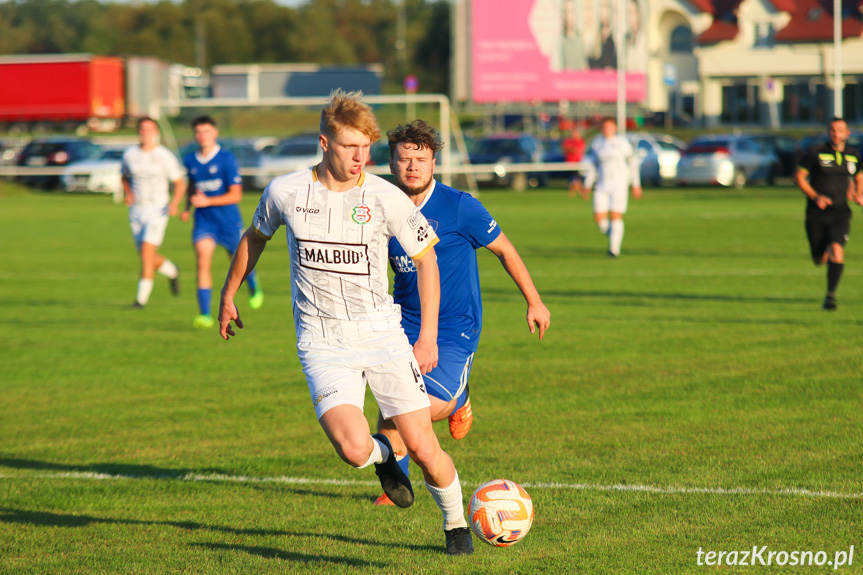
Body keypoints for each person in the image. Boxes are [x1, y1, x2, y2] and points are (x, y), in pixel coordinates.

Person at [217, 91, 474, 556]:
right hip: (322, 342)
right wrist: (229, 293)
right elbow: (254, 238)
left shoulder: (384, 195)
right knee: (354, 449)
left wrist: (429, 336)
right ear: (324, 142)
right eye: (350, 147)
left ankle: (456, 526)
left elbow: (428, 259)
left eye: (366, 148)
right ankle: (382, 460)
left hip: (383, 336)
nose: (361, 158)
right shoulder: (286, 192)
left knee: (423, 448)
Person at [371, 119, 551, 507]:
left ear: (434, 162)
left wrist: (534, 301)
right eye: (404, 159)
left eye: (421, 159)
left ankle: (460, 396)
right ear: (391, 164)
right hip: (402, 321)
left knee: (419, 405)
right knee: (390, 402)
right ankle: (397, 478)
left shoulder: (459, 206)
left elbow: (505, 250)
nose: (412, 167)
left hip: (455, 327)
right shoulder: (383, 205)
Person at [182, 116, 263, 329]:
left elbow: (236, 195)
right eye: (198, 132)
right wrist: (186, 208)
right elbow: (192, 186)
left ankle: (253, 285)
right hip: (204, 222)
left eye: (206, 131)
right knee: (202, 261)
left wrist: (207, 200)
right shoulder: (190, 159)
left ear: (215, 133)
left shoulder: (226, 159)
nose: (202, 136)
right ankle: (205, 314)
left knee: (237, 263)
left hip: (228, 222)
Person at [794, 117, 863, 310]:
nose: (836, 133)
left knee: (836, 249)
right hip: (816, 214)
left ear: (847, 133)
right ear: (828, 132)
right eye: (833, 130)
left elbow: (859, 176)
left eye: (840, 130)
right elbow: (799, 178)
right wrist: (815, 197)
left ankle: (830, 296)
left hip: (840, 213)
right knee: (819, 259)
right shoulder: (816, 153)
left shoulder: (853, 155)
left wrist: (859, 193)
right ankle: (824, 254)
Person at [121, 117, 186, 308]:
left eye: (149, 130)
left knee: (147, 252)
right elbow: (124, 175)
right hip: (137, 210)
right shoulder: (129, 154)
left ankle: (140, 300)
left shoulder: (164, 155)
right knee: (145, 255)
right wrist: (128, 193)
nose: (145, 133)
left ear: (156, 132)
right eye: (142, 129)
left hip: (158, 209)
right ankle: (172, 271)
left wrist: (174, 203)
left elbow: (179, 183)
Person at [581, 117, 642, 257]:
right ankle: (614, 237)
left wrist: (636, 185)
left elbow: (632, 163)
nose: (606, 129)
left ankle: (614, 249)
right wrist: (587, 185)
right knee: (599, 218)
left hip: (619, 184)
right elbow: (592, 166)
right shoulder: (597, 143)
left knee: (615, 215)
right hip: (602, 185)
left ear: (615, 128)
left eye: (609, 126)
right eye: (604, 127)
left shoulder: (622, 143)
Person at [562, 126, 587, 198]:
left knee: (576, 179)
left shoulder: (580, 141)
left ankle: (578, 192)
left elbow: (578, 151)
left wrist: (571, 149)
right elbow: (565, 149)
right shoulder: (568, 141)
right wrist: (571, 149)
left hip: (578, 163)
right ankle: (578, 192)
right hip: (569, 163)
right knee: (573, 179)